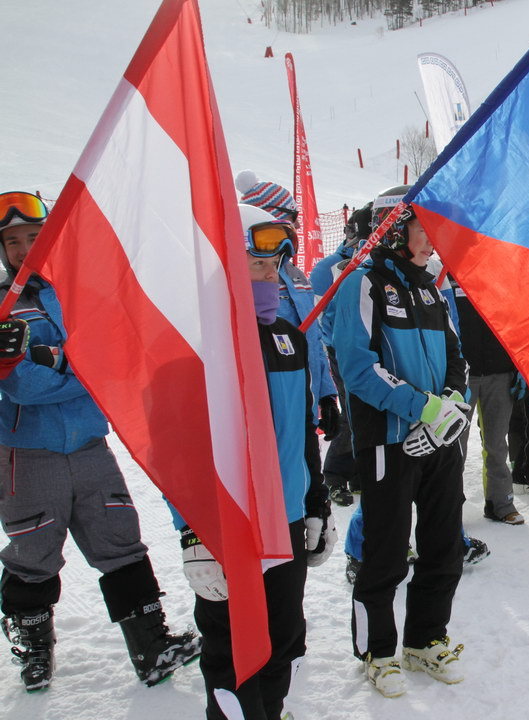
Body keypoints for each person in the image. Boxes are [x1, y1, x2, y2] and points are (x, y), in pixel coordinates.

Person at [0, 191, 200, 691]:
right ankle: (34, 650)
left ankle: (152, 644)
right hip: (28, 453)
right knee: (34, 552)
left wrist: (61, 360)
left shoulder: (75, 292)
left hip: (89, 444)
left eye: (33, 237)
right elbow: (25, 384)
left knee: (120, 540)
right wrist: (80, 367)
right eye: (13, 240)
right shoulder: (3, 305)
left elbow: (114, 360)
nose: (25, 248)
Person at [171, 204, 334, 720]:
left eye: (274, 265)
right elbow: (177, 450)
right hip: (228, 524)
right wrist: (192, 533)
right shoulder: (195, 345)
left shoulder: (289, 337)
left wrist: (317, 504)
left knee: (283, 638)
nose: (269, 276)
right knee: (232, 652)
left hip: (284, 517)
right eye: (255, 264)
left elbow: (303, 434)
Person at [332, 186, 468, 697]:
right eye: (423, 228)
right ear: (394, 229)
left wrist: (451, 403)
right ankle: (377, 651)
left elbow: (457, 357)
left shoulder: (431, 288)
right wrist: (422, 409)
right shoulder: (362, 285)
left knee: (443, 547)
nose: (433, 239)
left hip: (441, 441)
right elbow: (358, 368)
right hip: (391, 440)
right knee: (386, 554)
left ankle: (425, 639)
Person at [235, 171, 345, 504]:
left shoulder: (296, 277)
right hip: (267, 411)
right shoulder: (247, 277)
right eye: (288, 220)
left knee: (309, 494)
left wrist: (325, 393)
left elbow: (313, 341)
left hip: (304, 407)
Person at [310, 203, 372, 501]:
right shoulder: (331, 267)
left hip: (372, 347)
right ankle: (334, 474)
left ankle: (360, 472)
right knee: (350, 411)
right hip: (341, 350)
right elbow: (322, 319)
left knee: (369, 411)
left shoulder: (375, 261)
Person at [451, 276, 524, 525]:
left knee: (496, 443)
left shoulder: (497, 274)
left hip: (499, 372)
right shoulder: (444, 277)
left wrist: (519, 366)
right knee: (454, 445)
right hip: (462, 375)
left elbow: (516, 324)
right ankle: (448, 506)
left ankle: (500, 503)